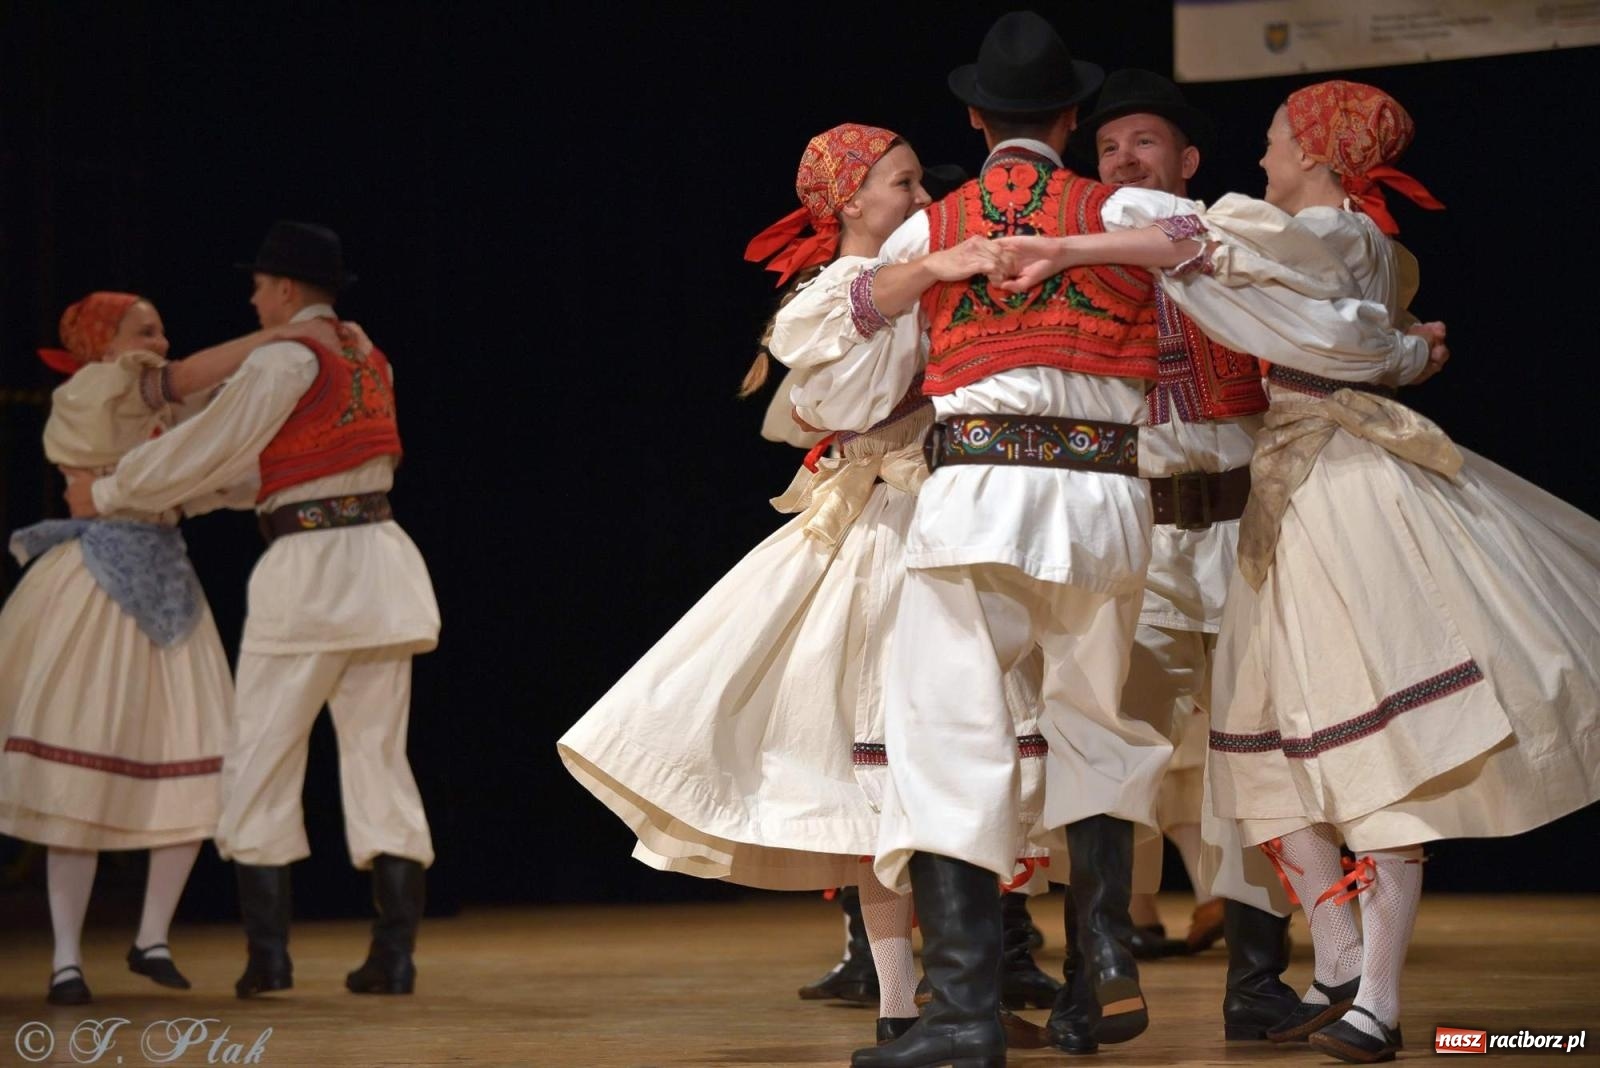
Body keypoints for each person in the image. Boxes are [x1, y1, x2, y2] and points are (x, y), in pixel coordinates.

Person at [997, 79, 1600, 1065]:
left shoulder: (1329, 231)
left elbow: (1274, 301)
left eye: (1278, 141)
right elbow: (1296, 316)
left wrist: (1065, 242)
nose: (1267, 156)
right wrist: (1400, 347)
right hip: (1258, 505)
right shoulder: (1300, 242)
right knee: (1252, 757)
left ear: (1316, 153)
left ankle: (1367, 994)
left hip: (1331, 496)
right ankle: (1333, 958)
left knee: (1368, 739)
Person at [559, 124, 1054, 1049]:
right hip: (892, 530)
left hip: (950, 515)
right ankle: (912, 1004)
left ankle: (952, 1000)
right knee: (887, 776)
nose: (918, 197)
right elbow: (834, 392)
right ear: (852, 203)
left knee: (950, 774)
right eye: (903, 183)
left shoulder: (921, 274)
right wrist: (943, 271)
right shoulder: (836, 292)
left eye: (918, 182)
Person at [64, 221, 441, 999]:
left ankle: (268, 958)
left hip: (310, 575)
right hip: (381, 562)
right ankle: (393, 953)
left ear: (286, 291)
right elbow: (270, 466)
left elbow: (215, 445)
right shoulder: (368, 356)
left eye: (260, 285)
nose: (252, 297)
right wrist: (182, 500)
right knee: (379, 759)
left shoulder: (283, 359)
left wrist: (109, 492)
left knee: (262, 755)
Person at [1065, 67, 1303, 1037]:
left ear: (1188, 161)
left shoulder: (1235, 246)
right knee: (1104, 748)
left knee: (1259, 759)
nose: (1124, 158)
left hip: (1250, 533)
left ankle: (1256, 985)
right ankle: (1096, 970)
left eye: (1144, 144)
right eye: (1109, 147)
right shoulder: (1081, 267)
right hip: (1141, 538)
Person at [0, 292, 302, 1003]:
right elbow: (187, 381)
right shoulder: (94, 387)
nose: (162, 340)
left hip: (169, 578)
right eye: (146, 329)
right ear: (104, 342)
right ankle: (67, 959)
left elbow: (211, 465)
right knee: (76, 766)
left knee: (193, 756)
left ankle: (151, 937)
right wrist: (281, 335)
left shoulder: (159, 408)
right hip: (95, 577)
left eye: (164, 327)